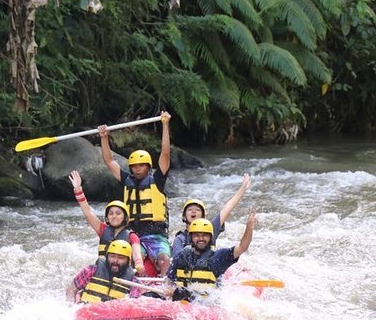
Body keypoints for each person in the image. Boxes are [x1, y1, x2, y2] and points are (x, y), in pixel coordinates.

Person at [99, 111, 172, 276]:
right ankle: (136, 288)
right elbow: (109, 161)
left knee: (163, 260)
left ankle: (165, 288)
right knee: (133, 260)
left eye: (141, 166)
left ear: (148, 166)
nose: (137, 169)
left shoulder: (158, 180)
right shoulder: (126, 181)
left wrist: (165, 126)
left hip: (156, 234)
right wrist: (104, 137)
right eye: (134, 166)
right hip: (134, 234)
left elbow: (165, 154)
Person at [68, 170, 145, 274]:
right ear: (107, 218)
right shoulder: (102, 229)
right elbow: (88, 213)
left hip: (123, 273)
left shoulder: (132, 236)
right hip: (103, 271)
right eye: (111, 213)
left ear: (125, 218)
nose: (114, 216)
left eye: (118, 213)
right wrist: (78, 189)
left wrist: (139, 263)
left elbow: (136, 254)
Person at [166, 211, 257, 297]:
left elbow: (242, 247)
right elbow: (169, 282)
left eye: (205, 235)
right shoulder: (181, 256)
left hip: (207, 305)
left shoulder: (218, 257)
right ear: (191, 237)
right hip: (182, 305)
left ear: (210, 238)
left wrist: (249, 228)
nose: (201, 239)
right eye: (197, 235)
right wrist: (170, 291)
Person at [171, 173, 251, 258]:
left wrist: (243, 189)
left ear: (202, 217)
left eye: (197, 210)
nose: (193, 211)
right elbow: (176, 260)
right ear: (184, 216)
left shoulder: (210, 229)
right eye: (190, 210)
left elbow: (227, 209)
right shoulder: (180, 239)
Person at [66, 240, 139, 304]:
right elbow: (72, 289)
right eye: (112, 256)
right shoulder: (91, 271)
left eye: (121, 258)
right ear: (107, 257)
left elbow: (134, 303)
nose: (115, 261)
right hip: (87, 311)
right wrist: (71, 307)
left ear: (128, 261)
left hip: (111, 317)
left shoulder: (133, 281)